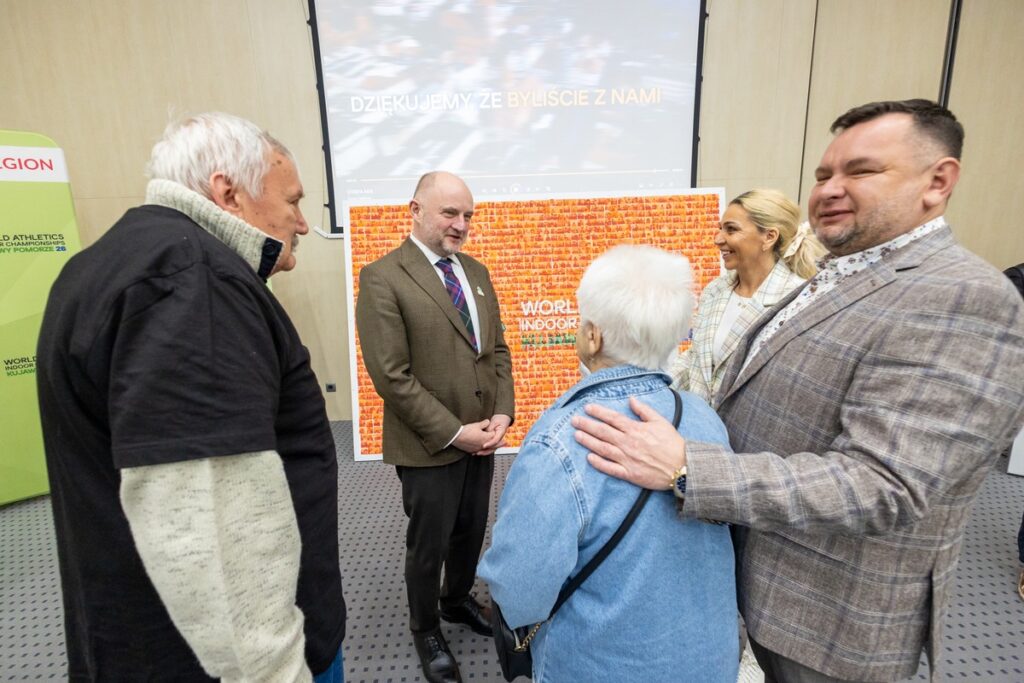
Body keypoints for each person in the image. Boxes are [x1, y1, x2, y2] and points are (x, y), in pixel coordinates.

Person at [571, 99, 1024, 682]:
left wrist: (689, 469)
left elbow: (884, 484)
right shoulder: (845, 273)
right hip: (765, 578)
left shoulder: (964, 297)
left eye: (860, 172)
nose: (830, 189)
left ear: (938, 181)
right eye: (822, 175)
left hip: (829, 619)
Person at [35, 113, 346, 681]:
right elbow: (213, 526)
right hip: (222, 661)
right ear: (228, 193)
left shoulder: (112, 261)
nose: (303, 223)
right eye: (293, 201)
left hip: (142, 635)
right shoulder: (194, 285)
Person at [478, 245, 739, 682]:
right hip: (709, 659)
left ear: (593, 336)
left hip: (600, 664)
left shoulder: (561, 439)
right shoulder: (706, 420)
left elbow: (518, 587)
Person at [355, 171, 514, 683]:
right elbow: (392, 378)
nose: (461, 224)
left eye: (468, 214)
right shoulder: (382, 277)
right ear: (416, 210)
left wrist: (503, 413)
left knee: (470, 532)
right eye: (450, 213)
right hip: (429, 444)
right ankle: (425, 626)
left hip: (483, 439)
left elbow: (499, 352)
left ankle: (455, 600)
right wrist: (454, 432)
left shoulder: (478, 272)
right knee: (430, 541)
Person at [674, 189, 824, 402]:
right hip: (699, 426)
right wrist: (653, 390)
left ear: (769, 237)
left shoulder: (799, 301)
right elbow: (695, 358)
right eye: (720, 229)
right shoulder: (715, 290)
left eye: (731, 230)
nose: (718, 239)